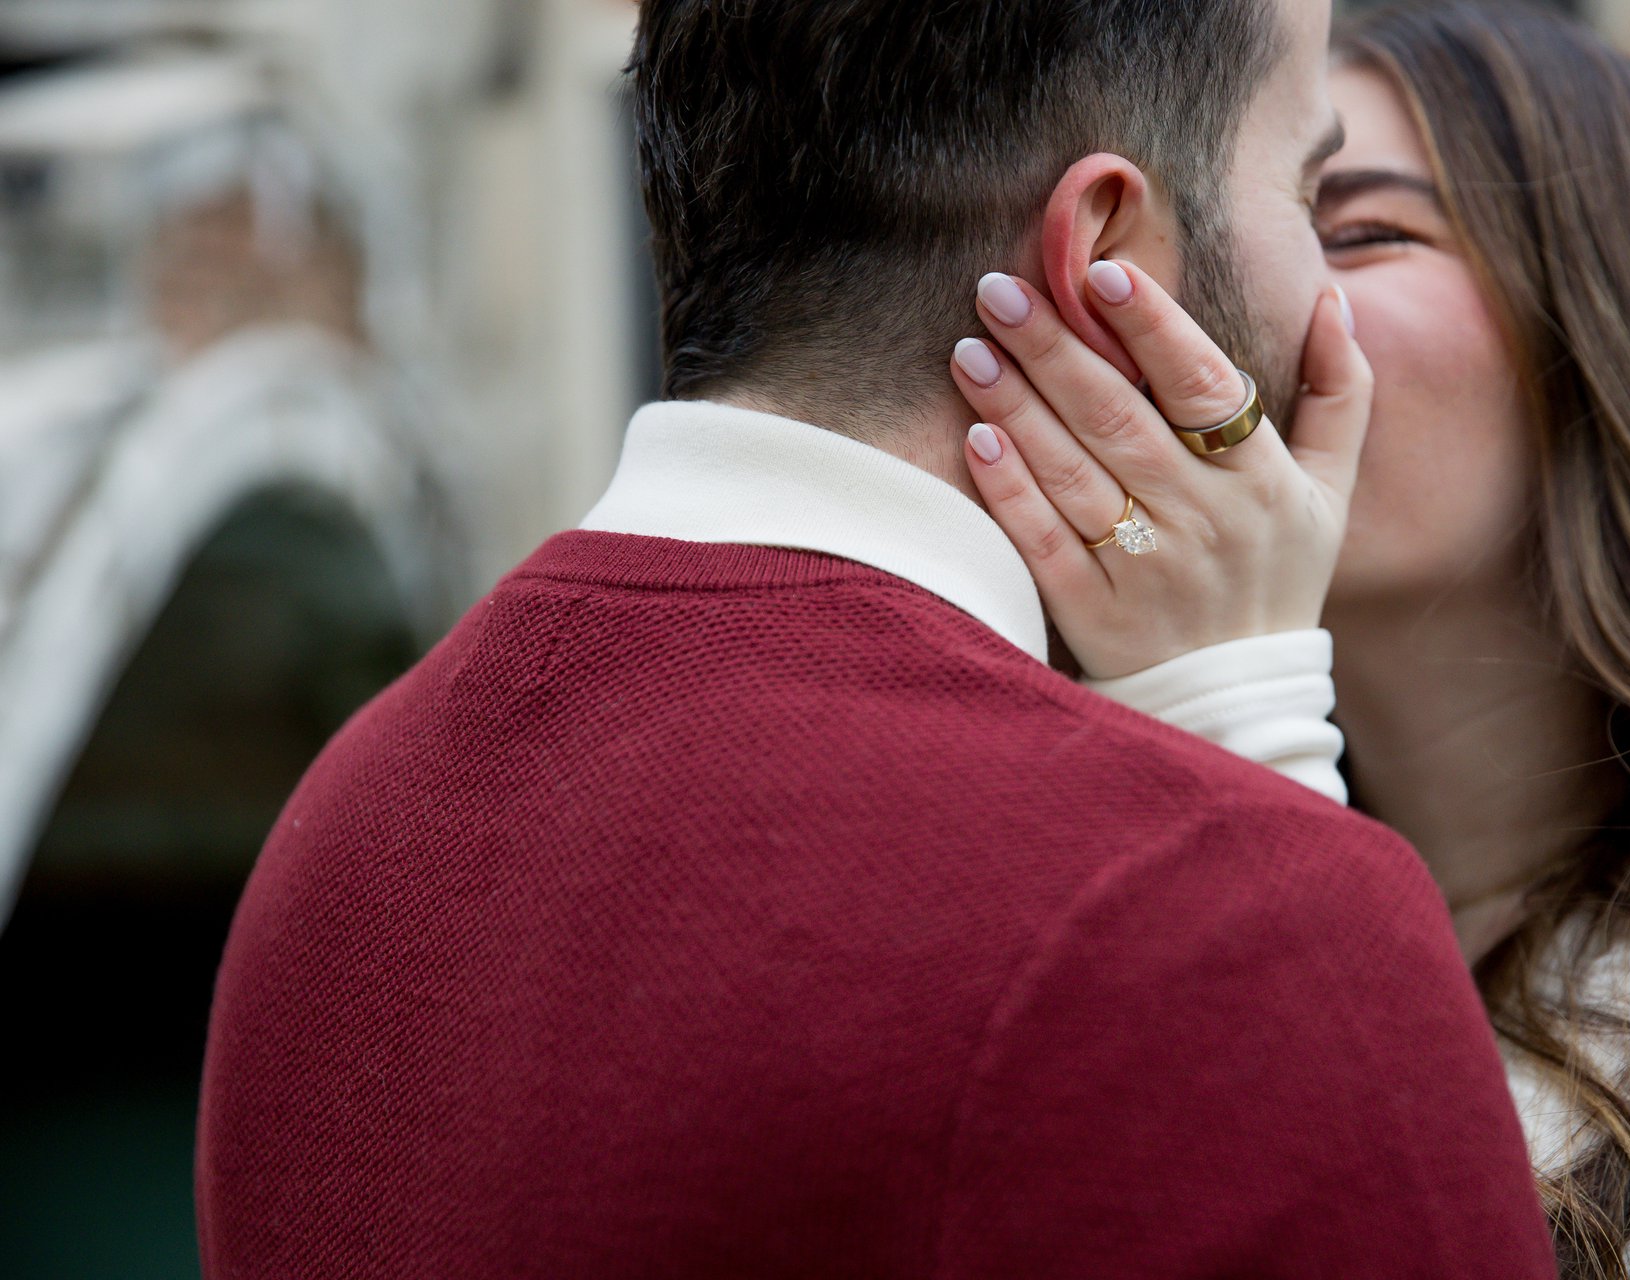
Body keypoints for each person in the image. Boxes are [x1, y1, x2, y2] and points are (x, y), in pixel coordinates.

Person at [193, 2, 1557, 1276]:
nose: (1332, 302)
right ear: (1105, 259)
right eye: (1307, 193)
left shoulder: (338, 828)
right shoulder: (1230, 906)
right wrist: (1253, 776)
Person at [962, 3, 1630, 1276]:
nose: (1248, 308)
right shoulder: (1035, 873)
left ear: (1622, 334)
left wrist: (1225, 712)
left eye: (1357, 229)